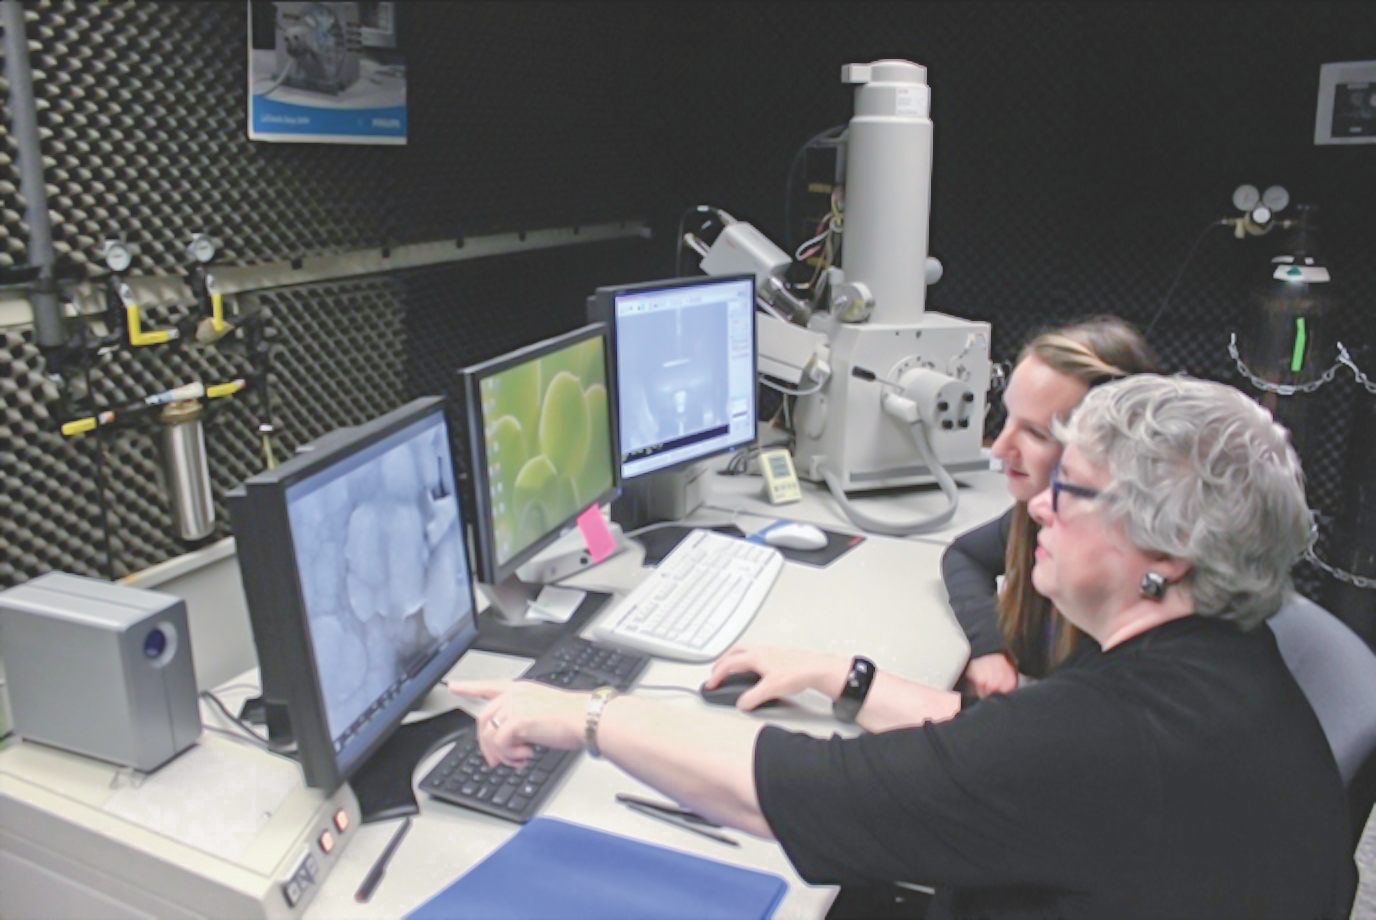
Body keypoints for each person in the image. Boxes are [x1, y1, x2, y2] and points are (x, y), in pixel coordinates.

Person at [450, 375, 1355, 918]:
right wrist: (849, 679)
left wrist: (585, 712)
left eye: (1068, 492)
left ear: (1164, 554)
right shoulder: (1225, 667)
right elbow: (1016, 747)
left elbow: (784, 794)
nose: (1036, 506)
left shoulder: (1107, 739)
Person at [946, 317, 1160, 699]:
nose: (999, 448)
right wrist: (989, 646)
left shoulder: (1127, 600)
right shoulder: (1035, 517)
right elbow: (964, 555)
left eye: (1035, 433)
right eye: (1007, 417)